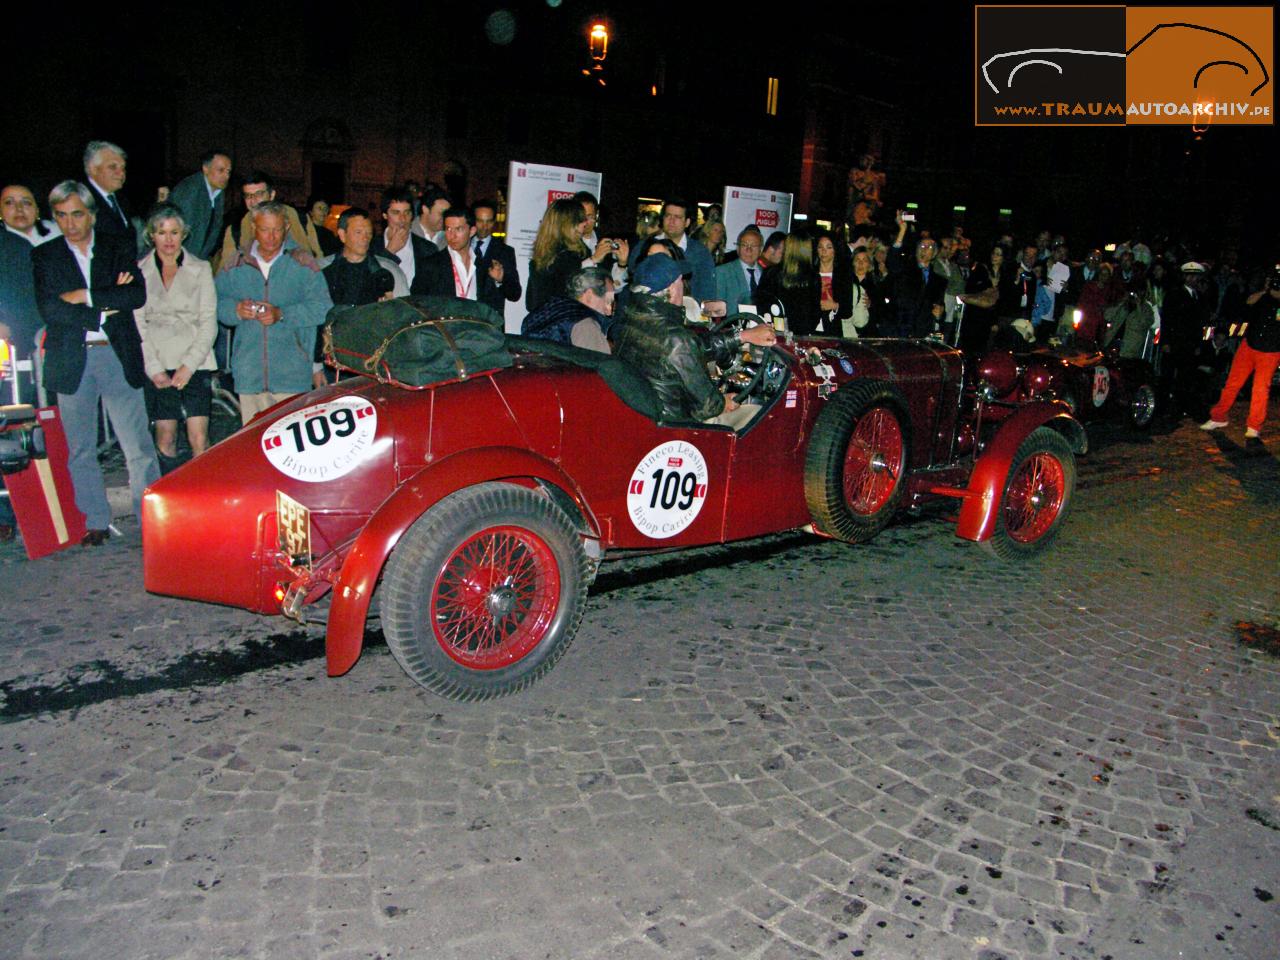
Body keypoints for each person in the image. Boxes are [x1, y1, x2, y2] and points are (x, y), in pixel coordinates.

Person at [32, 181, 159, 544]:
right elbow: (51, 309)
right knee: (81, 449)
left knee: (136, 445)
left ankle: (148, 519)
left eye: (76, 214)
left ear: (91, 214)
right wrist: (102, 311)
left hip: (117, 355)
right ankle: (96, 521)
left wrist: (85, 296)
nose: (69, 224)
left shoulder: (116, 247)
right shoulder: (46, 256)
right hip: (73, 360)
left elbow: (135, 294)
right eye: (60, 216)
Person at [613, 256, 776, 430]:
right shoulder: (676, 339)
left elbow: (692, 346)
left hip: (645, 417)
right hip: (679, 426)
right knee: (759, 413)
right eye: (680, 280)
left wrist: (741, 336)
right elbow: (708, 407)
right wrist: (723, 402)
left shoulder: (630, 321)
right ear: (672, 289)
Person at [215, 201, 332, 424]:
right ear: (253, 228)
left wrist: (282, 314)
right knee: (253, 445)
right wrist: (236, 310)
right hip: (249, 374)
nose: (271, 236)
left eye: (277, 229)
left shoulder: (303, 263)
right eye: (265, 229)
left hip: (292, 376)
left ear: (287, 227)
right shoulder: (235, 264)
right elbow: (217, 305)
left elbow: (323, 307)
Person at [136, 205, 218, 468]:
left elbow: (209, 322)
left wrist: (189, 366)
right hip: (158, 363)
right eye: (162, 233)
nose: (169, 239)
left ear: (184, 234)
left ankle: (201, 494)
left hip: (195, 361)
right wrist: (154, 369)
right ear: (152, 236)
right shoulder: (140, 270)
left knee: (199, 438)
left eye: (175, 232)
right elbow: (138, 324)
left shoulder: (201, 268)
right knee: (165, 436)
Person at [1201, 268, 1280, 440]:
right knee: (1232, 382)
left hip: (1270, 351)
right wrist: (1266, 290)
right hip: (1249, 345)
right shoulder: (1262, 296)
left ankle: (1254, 426)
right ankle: (1218, 417)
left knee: (1260, 389)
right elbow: (1249, 302)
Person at [218, 171, 318, 266]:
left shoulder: (299, 219)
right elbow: (224, 272)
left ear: (272, 195)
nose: (253, 201)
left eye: (259, 194)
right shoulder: (235, 230)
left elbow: (317, 258)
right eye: (248, 196)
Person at [1159, 261, 1211, 420]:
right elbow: (1167, 320)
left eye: (1195, 276)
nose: (1192, 279)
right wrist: (1166, 342)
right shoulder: (1175, 294)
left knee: (1185, 377)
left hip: (1190, 344)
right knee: (1168, 376)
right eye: (1189, 275)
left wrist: (1198, 344)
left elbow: (1200, 323)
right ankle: (1163, 408)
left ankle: (1180, 408)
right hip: (1175, 342)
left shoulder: (1198, 296)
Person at [521, 266, 615, 352]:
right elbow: (603, 367)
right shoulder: (586, 324)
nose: (609, 311)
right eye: (608, 301)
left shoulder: (545, 311)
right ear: (589, 295)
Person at [167, 149, 232, 262]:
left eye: (228, 172)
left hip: (196, 261)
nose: (226, 176)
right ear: (205, 169)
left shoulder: (218, 192)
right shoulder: (189, 191)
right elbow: (181, 234)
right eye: (221, 170)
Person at [526, 198, 590, 312]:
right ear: (568, 224)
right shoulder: (573, 256)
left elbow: (531, 303)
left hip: (544, 323)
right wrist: (593, 260)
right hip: (565, 323)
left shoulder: (541, 257)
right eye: (580, 219)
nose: (586, 222)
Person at [370, 187, 436, 295]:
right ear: (385, 215)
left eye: (407, 212)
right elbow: (370, 284)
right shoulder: (371, 247)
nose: (402, 219)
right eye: (396, 213)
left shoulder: (427, 249)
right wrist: (390, 251)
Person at [655, 199, 716, 301]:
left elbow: (707, 291)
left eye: (677, 217)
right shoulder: (646, 245)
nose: (671, 220)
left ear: (687, 222)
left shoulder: (700, 252)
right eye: (668, 215)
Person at [83, 140, 136, 252]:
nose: (121, 173)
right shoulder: (82, 199)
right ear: (93, 169)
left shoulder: (121, 200)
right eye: (113, 167)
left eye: (123, 168)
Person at [471, 200, 522, 313]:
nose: (485, 226)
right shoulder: (462, 246)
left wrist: (501, 280)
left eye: (489, 221)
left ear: (494, 222)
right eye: (480, 221)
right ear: (472, 221)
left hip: (491, 321)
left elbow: (515, 294)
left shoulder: (505, 252)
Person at [715, 226, 764, 309]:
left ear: (761, 250)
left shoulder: (768, 275)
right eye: (745, 245)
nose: (749, 250)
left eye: (754, 246)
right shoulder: (723, 272)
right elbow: (717, 307)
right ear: (737, 248)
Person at [814, 230, 852, 335]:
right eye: (820, 247)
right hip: (811, 327)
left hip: (832, 329)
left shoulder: (843, 276)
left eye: (828, 247)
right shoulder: (811, 273)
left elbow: (848, 310)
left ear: (835, 250)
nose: (824, 251)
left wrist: (835, 305)